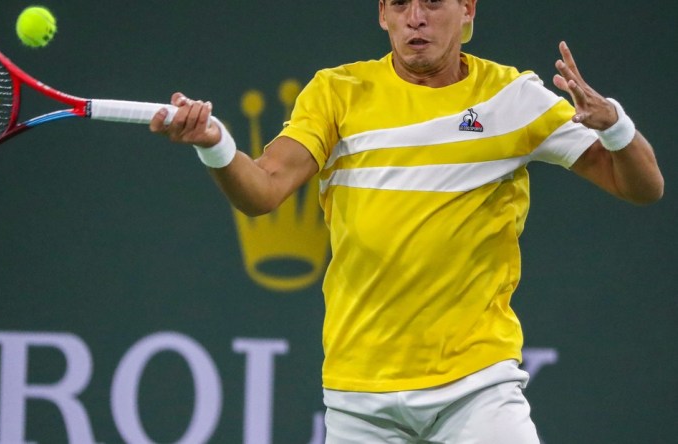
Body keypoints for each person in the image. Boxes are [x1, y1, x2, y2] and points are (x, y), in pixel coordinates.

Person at [149, 0, 664, 442]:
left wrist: (616, 127)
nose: (416, 18)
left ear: (467, 10)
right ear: (382, 15)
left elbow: (642, 187)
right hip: (360, 396)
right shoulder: (336, 92)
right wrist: (216, 145)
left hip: (476, 385)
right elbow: (262, 191)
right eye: (399, 3)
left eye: (434, 3)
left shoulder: (513, 99)